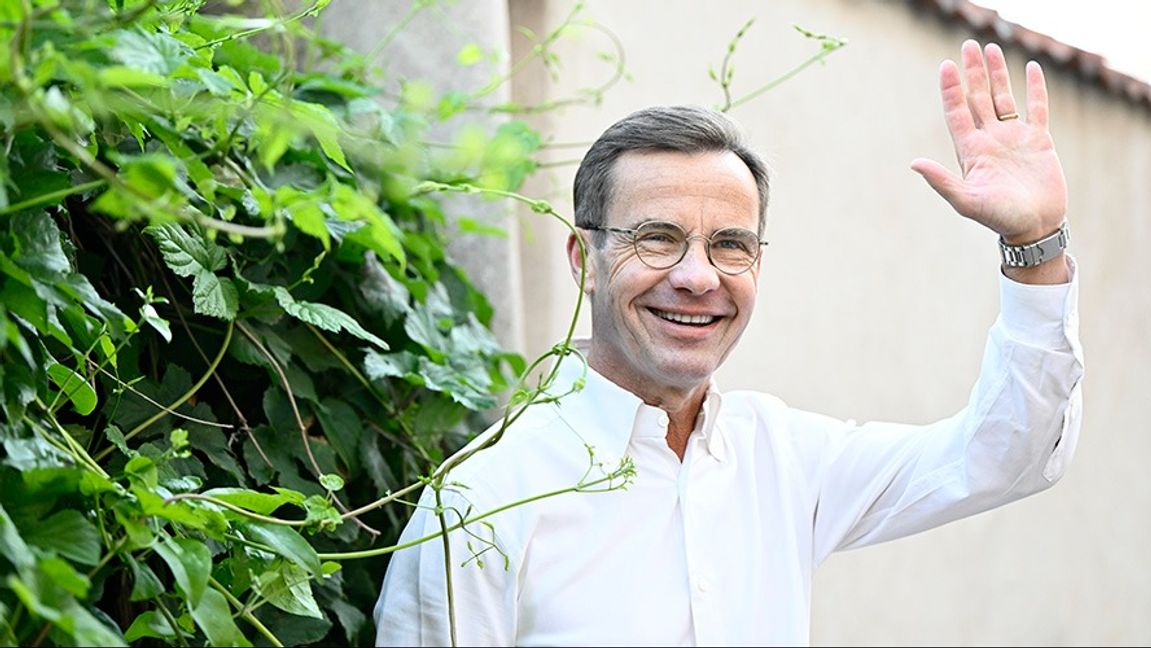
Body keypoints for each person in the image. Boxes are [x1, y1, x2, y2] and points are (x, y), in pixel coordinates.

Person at [373, 39, 1083, 646]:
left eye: (729, 245)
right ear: (581, 260)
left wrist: (1032, 244)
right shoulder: (480, 505)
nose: (696, 277)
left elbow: (1006, 455)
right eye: (656, 238)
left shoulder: (783, 460)